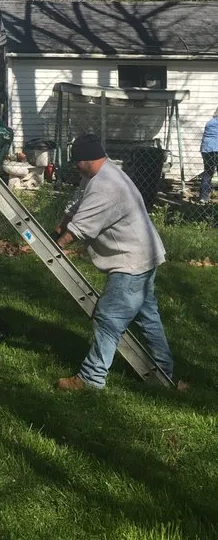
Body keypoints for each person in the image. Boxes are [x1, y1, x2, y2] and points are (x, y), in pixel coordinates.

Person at [53, 133, 175, 390]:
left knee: (108, 319)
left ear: (87, 160)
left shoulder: (106, 187)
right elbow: (78, 203)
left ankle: (91, 378)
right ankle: (164, 374)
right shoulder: (100, 173)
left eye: (77, 161)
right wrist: (63, 222)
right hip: (143, 256)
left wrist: (59, 244)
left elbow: (82, 228)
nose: (75, 166)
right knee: (147, 317)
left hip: (130, 263)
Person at [198, 108, 218, 205]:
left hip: (206, 150)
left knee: (208, 173)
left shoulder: (210, 122)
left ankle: (204, 198)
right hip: (216, 149)